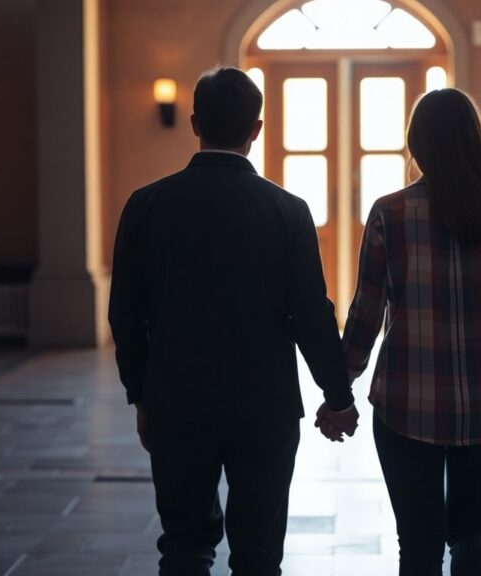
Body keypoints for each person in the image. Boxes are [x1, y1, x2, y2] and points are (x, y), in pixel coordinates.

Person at [108, 66, 359, 576]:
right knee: (259, 553)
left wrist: (142, 393)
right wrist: (338, 396)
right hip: (263, 406)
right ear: (257, 129)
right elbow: (311, 314)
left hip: (176, 401)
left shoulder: (147, 205)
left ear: (195, 122)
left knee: (183, 544)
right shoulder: (287, 210)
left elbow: (125, 314)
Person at [321, 88, 481, 576]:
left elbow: (365, 316)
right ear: (476, 142)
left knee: (420, 542)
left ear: (416, 144)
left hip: (407, 404)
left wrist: (340, 394)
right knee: (474, 532)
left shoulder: (390, 214)